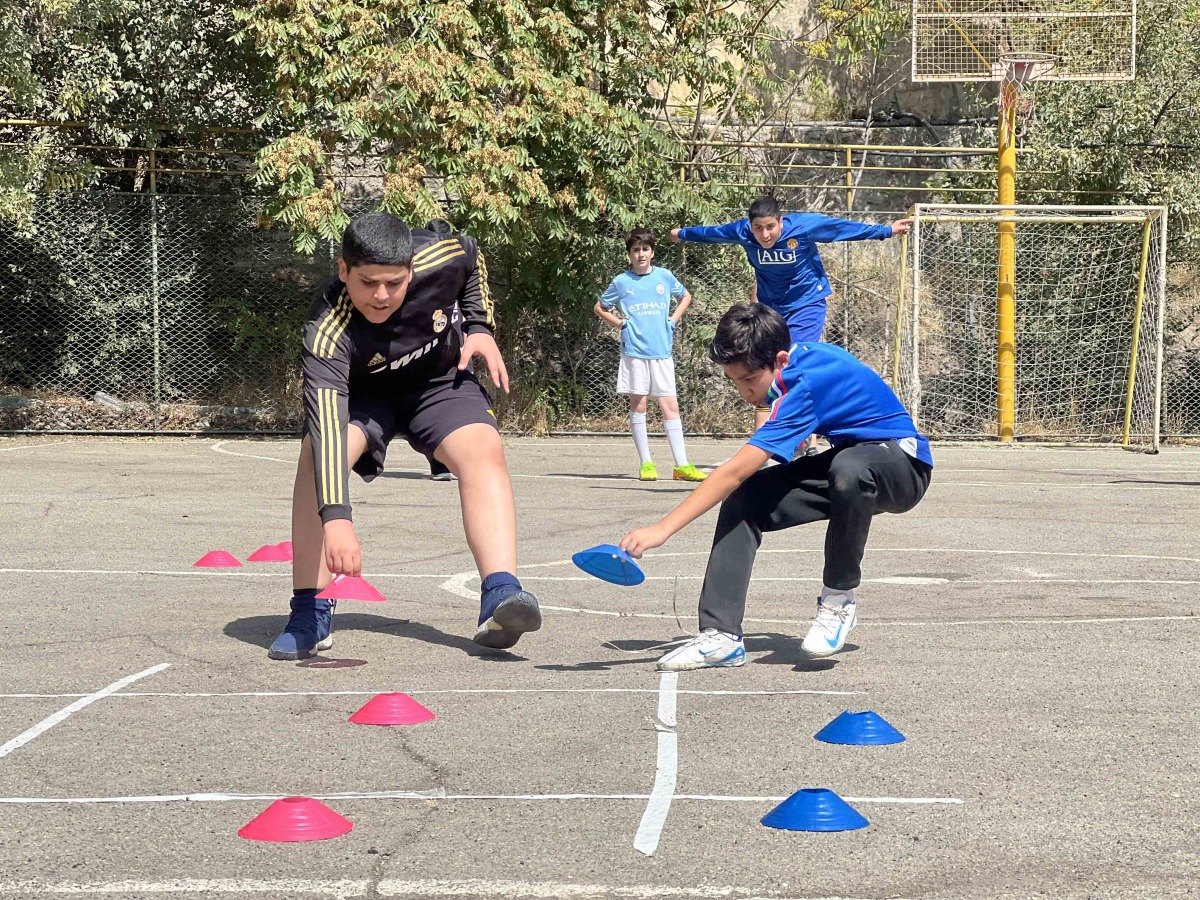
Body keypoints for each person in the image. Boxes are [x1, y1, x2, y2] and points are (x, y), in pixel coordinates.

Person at [268, 212, 541, 660]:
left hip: (436, 383)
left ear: (411, 270)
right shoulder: (326, 330)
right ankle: (309, 612)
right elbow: (328, 427)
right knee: (316, 455)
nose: (381, 295)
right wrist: (337, 518)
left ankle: (501, 594)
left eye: (393, 283)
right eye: (368, 282)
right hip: (363, 396)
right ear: (343, 270)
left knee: (484, 448)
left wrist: (479, 327)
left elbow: (472, 256)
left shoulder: (441, 255)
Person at [619, 303, 932, 672]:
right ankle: (721, 635)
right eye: (735, 381)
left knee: (847, 470)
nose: (744, 391)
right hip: (852, 459)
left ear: (780, 360)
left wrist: (661, 529)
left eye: (750, 380)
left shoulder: (805, 385)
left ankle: (838, 600)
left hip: (903, 466)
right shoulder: (795, 365)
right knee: (747, 499)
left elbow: (733, 471)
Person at [670, 196, 912, 434]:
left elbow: (840, 228)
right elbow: (713, 233)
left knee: (793, 359)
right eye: (758, 228)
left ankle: (800, 431)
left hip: (806, 302)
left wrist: (886, 230)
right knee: (765, 363)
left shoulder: (802, 226)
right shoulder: (742, 232)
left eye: (770, 227)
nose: (765, 235)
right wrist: (682, 234)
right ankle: (775, 432)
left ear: (781, 221)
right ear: (750, 226)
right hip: (771, 307)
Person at [595, 227, 707, 483]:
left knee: (670, 406)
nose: (641, 254)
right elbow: (600, 307)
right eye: (636, 250)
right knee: (640, 404)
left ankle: (681, 465)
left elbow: (685, 296)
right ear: (629, 254)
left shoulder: (664, 276)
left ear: (652, 252)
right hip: (635, 352)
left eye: (645, 249)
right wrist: (620, 324)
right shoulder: (621, 282)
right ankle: (646, 462)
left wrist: (673, 319)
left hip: (661, 352)